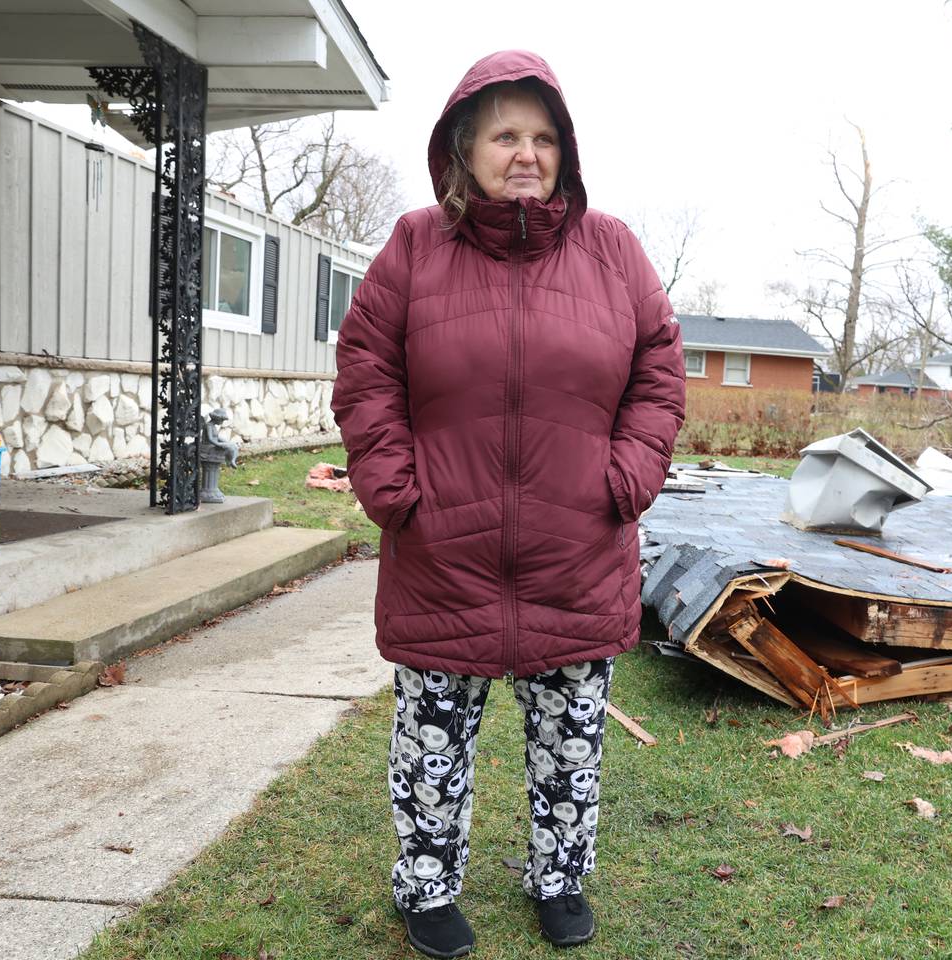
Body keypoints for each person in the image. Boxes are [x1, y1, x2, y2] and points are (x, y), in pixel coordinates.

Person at [330, 50, 686, 958]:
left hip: (577, 546)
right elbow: (366, 368)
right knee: (432, 740)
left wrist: (627, 477)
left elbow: (659, 371)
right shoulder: (414, 246)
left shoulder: (614, 251)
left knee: (570, 737)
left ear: (564, 150)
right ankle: (426, 887)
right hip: (443, 546)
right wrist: (393, 487)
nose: (524, 153)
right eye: (503, 135)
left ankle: (558, 878)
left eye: (542, 137)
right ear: (464, 147)